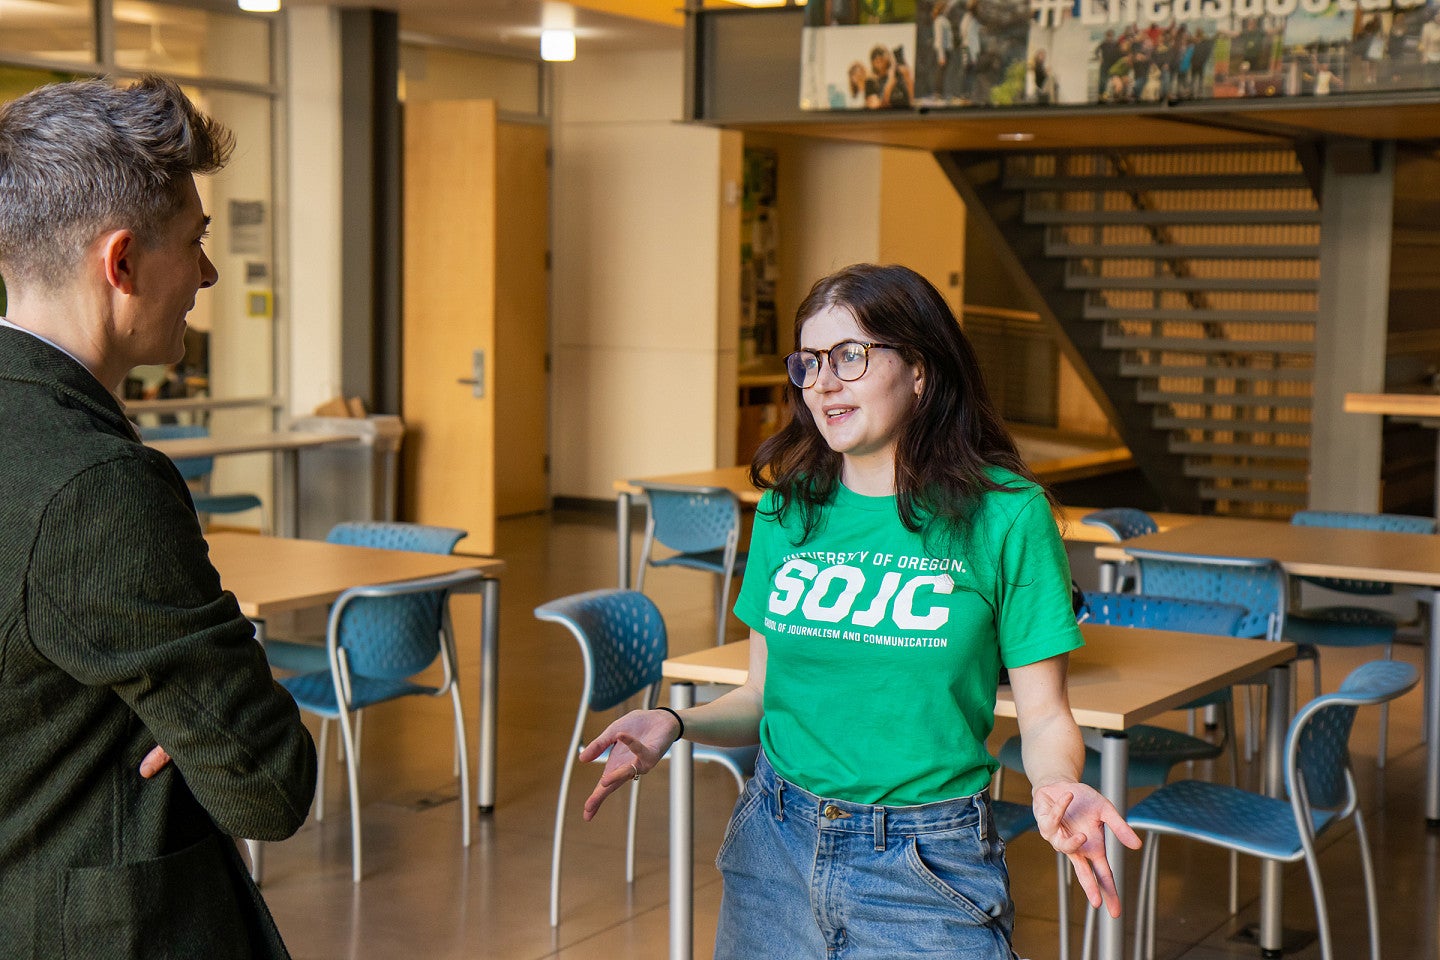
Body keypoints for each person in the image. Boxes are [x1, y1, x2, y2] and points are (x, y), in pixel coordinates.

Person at [579, 264, 1140, 958]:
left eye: (851, 356)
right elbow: (761, 695)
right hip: (773, 845)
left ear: (920, 372)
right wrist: (673, 721)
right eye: (810, 362)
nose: (822, 381)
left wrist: (1056, 783)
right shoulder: (789, 510)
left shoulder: (1006, 515)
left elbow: (1046, 713)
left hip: (926, 863)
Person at [0, 76, 316, 957]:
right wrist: (209, 698)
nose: (209, 273)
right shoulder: (102, 485)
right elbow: (267, 784)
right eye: (195, 241)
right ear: (124, 262)